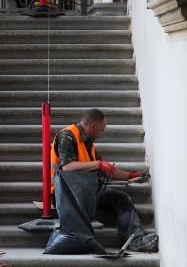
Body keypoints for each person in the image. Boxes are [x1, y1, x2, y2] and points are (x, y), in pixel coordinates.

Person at [50, 108, 159, 253]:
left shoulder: (88, 144)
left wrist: (131, 175)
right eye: (101, 130)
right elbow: (67, 167)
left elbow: (106, 170)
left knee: (121, 198)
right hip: (66, 198)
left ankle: (135, 240)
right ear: (92, 126)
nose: (101, 135)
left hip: (86, 194)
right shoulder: (67, 136)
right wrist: (97, 164)